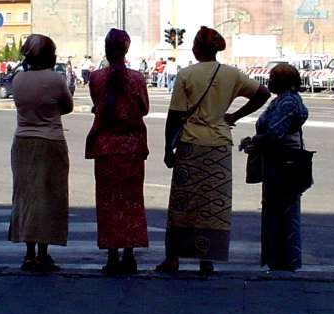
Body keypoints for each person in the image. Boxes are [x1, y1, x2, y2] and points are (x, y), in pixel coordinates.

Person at [156, 26, 270, 275]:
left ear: (197, 47)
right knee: (212, 205)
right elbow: (263, 93)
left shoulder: (187, 75)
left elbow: (175, 116)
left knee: (182, 203)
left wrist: (168, 147)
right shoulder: (232, 74)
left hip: (191, 143)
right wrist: (234, 115)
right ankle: (206, 261)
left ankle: (173, 258)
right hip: (219, 146)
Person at [85, 29, 149, 275]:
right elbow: (143, 108)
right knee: (132, 201)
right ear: (126, 49)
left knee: (108, 202)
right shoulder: (137, 78)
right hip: (131, 146)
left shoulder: (96, 78)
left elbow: (97, 104)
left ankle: (112, 256)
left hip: (105, 146)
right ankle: (130, 255)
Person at [8, 34, 74, 272]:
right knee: (49, 197)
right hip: (51, 142)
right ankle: (44, 255)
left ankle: (28, 254)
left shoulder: (18, 80)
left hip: (23, 142)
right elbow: (67, 106)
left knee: (26, 196)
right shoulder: (56, 79)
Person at [239, 64, 309, 272]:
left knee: (282, 212)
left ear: (282, 81)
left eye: (272, 77)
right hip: (280, 161)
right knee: (279, 211)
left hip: (282, 163)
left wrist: (254, 142)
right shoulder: (283, 100)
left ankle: (283, 260)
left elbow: (275, 133)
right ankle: (280, 258)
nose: (268, 80)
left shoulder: (287, 102)